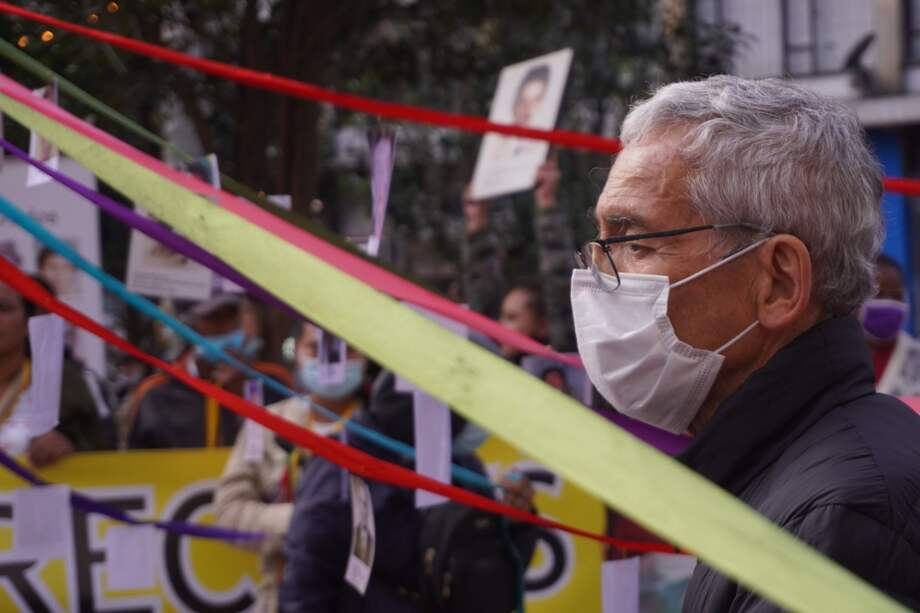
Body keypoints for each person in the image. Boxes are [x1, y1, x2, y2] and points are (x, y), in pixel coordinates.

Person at [570, 75, 920, 609]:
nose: (599, 275)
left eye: (633, 241)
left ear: (778, 283)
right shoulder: (793, 476)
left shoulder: (839, 520)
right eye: (600, 243)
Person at [278, 371, 537, 612]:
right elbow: (305, 581)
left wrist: (512, 524)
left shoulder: (460, 463)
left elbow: (486, 574)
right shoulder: (340, 468)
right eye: (466, 408)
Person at [214, 323, 367, 613]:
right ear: (297, 352)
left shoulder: (382, 431)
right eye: (316, 348)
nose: (330, 360)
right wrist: (302, 521)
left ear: (365, 358)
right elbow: (227, 512)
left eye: (345, 351)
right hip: (282, 597)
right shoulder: (266, 423)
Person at [124, 293, 290, 449]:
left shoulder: (273, 383)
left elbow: (286, 453)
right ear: (189, 326)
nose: (226, 327)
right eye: (214, 317)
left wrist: (240, 390)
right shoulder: (157, 394)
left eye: (231, 315)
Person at [462, 155, 577, 361]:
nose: (500, 327)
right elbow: (482, 300)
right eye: (503, 317)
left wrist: (546, 202)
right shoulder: (493, 364)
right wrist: (477, 220)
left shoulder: (559, 359)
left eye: (512, 318)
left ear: (542, 325)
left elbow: (558, 280)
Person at [0, 278, 112, 466]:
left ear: (29, 321)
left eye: (3, 308)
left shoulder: (64, 387)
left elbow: (107, 460)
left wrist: (70, 446)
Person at [860, 255, 920, 393]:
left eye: (896, 296)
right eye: (878, 295)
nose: (888, 302)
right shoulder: (840, 360)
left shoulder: (916, 357)